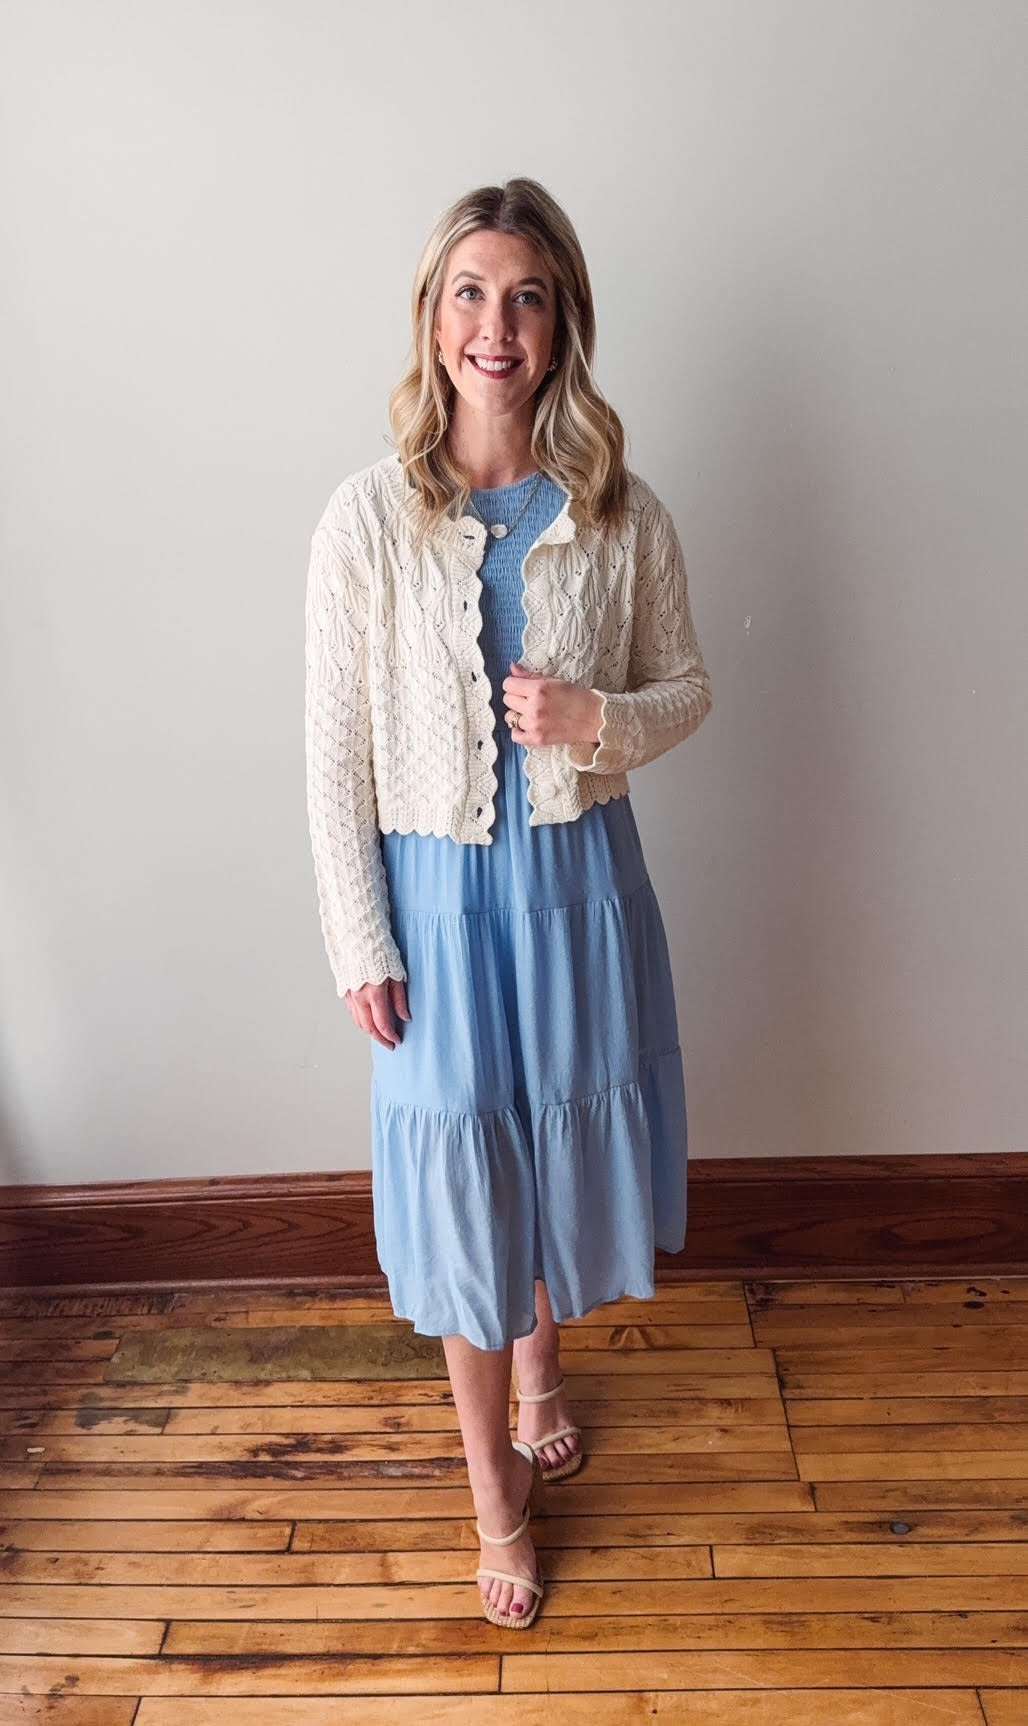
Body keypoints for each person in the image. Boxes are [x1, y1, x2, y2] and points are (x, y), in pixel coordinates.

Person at [304, 177, 712, 1631]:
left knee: (546, 1144)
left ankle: (546, 1368)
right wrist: (359, 933)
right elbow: (331, 753)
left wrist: (596, 715)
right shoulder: (365, 518)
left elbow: (688, 690)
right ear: (431, 319)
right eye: (470, 292)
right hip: (435, 898)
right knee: (466, 1186)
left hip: (577, 883)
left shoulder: (620, 507)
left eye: (527, 295)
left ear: (562, 324)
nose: (497, 323)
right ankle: (497, 1499)